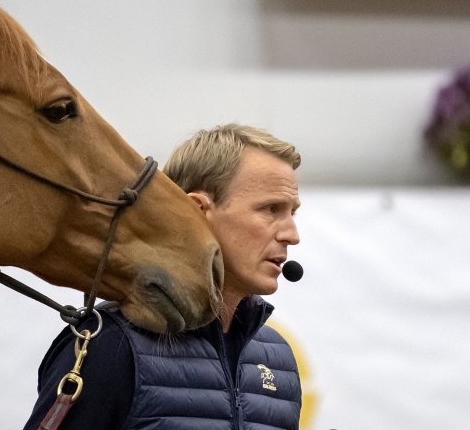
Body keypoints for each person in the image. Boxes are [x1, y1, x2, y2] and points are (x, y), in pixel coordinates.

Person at [23, 124, 303, 430]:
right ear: (197, 211)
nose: (292, 235)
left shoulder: (278, 359)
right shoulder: (111, 344)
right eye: (271, 209)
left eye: (293, 213)